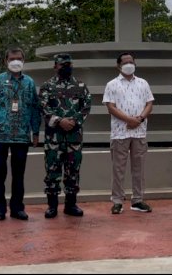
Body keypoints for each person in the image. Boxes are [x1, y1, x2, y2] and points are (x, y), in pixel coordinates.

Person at [0, 47, 41, 221]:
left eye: (19, 58)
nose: (16, 61)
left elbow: (34, 108)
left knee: (19, 175)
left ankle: (17, 208)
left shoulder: (29, 82)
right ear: (5, 61)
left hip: (21, 136)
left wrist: (35, 131)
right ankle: (0, 209)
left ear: (24, 61)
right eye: (12, 58)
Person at [38, 53, 92, 218]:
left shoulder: (80, 86)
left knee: (73, 172)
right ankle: (52, 206)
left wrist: (73, 122)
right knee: (52, 172)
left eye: (68, 64)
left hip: (74, 138)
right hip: (54, 138)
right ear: (55, 66)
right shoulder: (47, 86)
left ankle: (71, 205)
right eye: (62, 65)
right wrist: (60, 121)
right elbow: (43, 107)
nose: (66, 67)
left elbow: (86, 107)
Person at [103, 52, 155, 214]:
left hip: (139, 132)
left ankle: (138, 200)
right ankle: (117, 201)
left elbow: (149, 103)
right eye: (125, 62)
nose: (128, 64)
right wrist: (128, 120)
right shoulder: (112, 84)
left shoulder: (143, 83)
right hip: (120, 132)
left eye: (131, 62)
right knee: (118, 168)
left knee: (138, 168)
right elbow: (111, 107)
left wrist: (138, 119)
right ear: (118, 66)